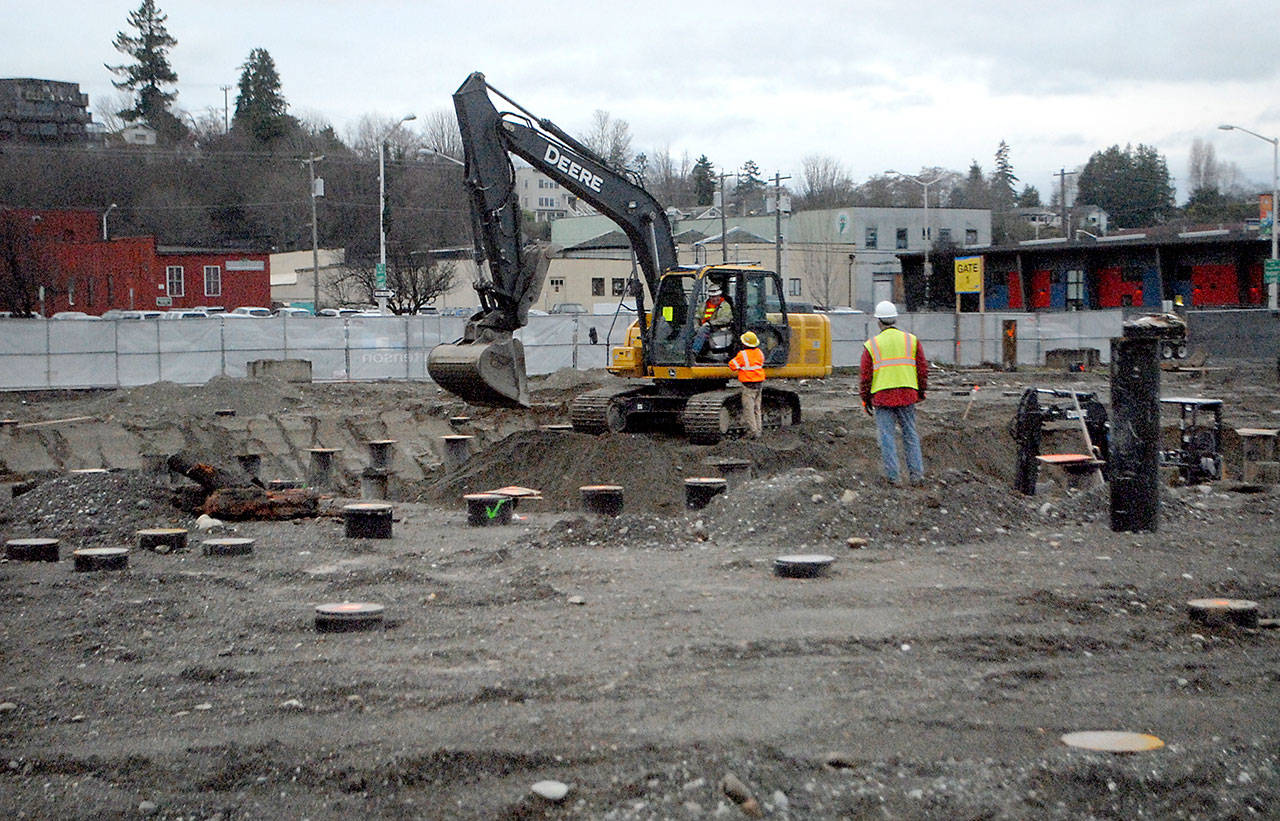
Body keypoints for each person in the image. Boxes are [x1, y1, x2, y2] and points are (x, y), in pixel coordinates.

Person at [860, 300, 928, 485]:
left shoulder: (872, 345)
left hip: (882, 397)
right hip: (907, 394)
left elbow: (866, 377)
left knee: (886, 437)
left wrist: (865, 400)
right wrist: (920, 392)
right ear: (895, 319)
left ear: (878, 321)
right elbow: (922, 369)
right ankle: (917, 475)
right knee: (910, 434)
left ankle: (893, 477)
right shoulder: (911, 340)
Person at [728, 330, 765, 438]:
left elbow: (732, 365)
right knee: (756, 409)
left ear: (744, 343)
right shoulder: (759, 353)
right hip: (759, 384)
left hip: (748, 385)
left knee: (748, 409)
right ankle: (758, 430)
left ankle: (753, 432)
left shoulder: (742, 355)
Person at [691, 283, 733, 358]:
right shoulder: (704, 305)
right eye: (712, 297)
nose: (714, 299)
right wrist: (696, 326)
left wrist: (709, 323)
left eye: (716, 296)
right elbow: (697, 317)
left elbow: (726, 319)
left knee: (704, 329)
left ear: (719, 296)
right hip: (703, 329)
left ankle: (694, 352)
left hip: (717, 329)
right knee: (687, 329)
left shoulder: (725, 306)